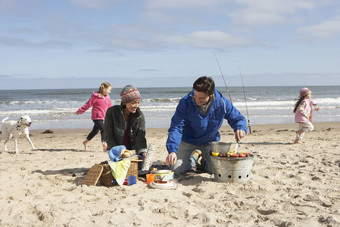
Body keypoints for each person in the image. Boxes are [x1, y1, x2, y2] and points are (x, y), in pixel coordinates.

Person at [166, 76, 248, 175]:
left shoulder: (222, 103)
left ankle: (204, 161)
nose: (197, 101)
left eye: (201, 98)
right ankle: (193, 158)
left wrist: (240, 127)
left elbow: (238, 118)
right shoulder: (185, 102)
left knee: (214, 170)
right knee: (176, 169)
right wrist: (172, 150)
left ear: (211, 95)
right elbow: (176, 127)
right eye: (195, 96)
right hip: (187, 140)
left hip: (210, 142)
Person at [104, 85, 147, 168]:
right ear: (125, 102)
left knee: (140, 168)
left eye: (138, 102)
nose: (136, 106)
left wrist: (143, 153)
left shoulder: (140, 116)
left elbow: (141, 138)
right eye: (133, 103)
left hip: (133, 151)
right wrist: (120, 153)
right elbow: (108, 136)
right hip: (115, 150)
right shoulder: (111, 112)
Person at [76, 82, 112, 152]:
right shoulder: (95, 97)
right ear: (104, 89)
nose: (110, 92)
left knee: (95, 131)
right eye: (109, 90)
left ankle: (85, 142)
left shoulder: (107, 97)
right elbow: (87, 105)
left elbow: (110, 107)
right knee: (103, 129)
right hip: (96, 117)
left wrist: (112, 114)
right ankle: (104, 143)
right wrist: (80, 111)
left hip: (103, 116)